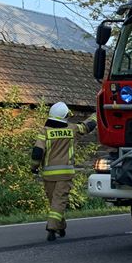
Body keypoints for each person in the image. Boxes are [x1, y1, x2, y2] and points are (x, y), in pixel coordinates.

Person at [30, 102, 97, 241]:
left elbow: (37, 152)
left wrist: (34, 167)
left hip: (48, 175)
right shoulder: (72, 129)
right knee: (58, 202)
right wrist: (97, 115)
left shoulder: (45, 132)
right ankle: (55, 227)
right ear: (64, 116)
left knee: (54, 202)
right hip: (65, 174)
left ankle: (55, 227)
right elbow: (87, 127)